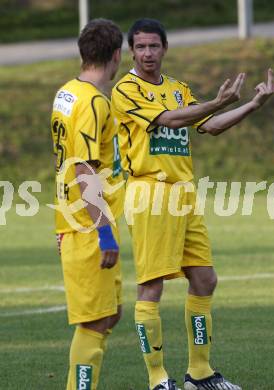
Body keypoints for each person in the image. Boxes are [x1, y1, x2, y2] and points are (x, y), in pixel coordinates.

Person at [111, 18, 274, 390]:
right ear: (130, 51)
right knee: (152, 286)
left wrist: (253, 104)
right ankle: (157, 378)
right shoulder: (125, 90)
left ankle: (199, 373)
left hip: (184, 194)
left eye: (154, 46)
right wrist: (215, 101)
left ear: (165, 48)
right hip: (149, 193)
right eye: (140, 47)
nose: (147, 53)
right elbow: (169, 120)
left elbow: (210, 124)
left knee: (205, 279)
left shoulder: (177, 88)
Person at [51, 18, 124, 390]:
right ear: (116, 55)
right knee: (95, 322)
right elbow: (82, 169)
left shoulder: (67, 92)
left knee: (110, 314)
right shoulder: (95, 102)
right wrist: (104, 232)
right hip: (88, 227)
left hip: (75, 222)